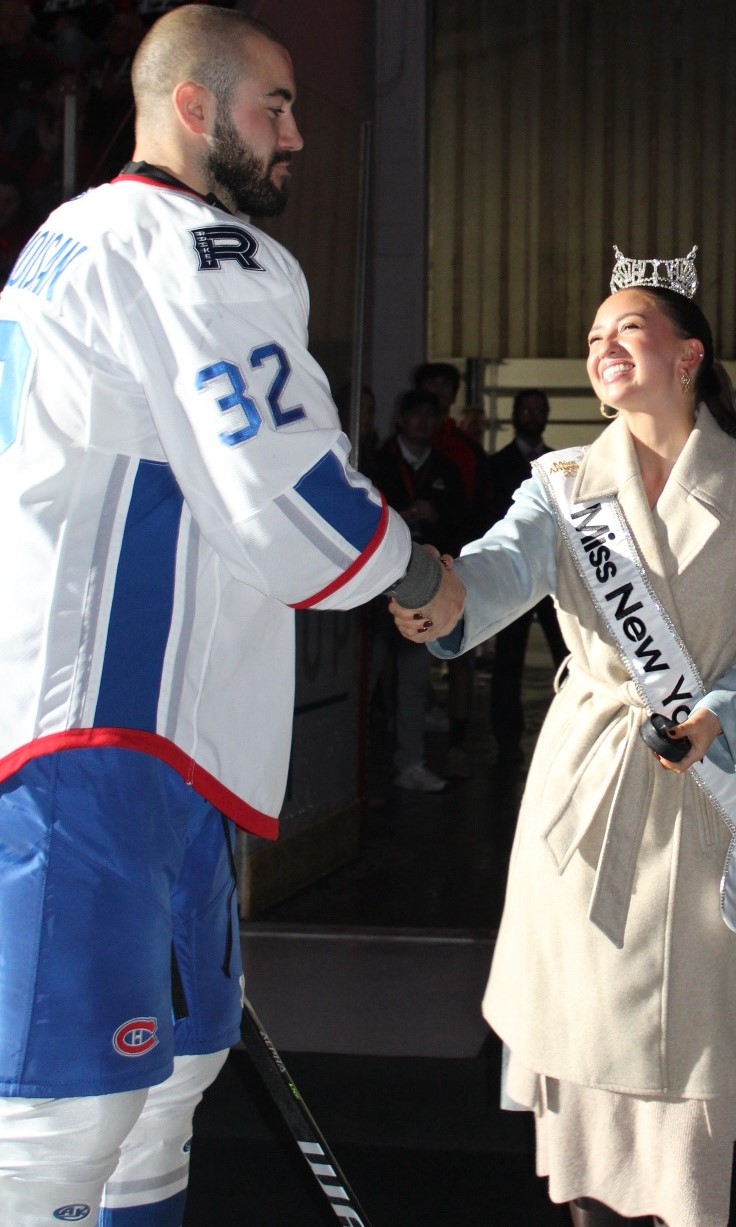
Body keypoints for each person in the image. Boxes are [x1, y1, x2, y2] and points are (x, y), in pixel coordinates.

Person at [0, 9, 445, 1223]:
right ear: (193, 109)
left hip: (141, 747)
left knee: (159, 1103)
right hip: (105, 745)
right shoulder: (200, 247)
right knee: (59, 1127)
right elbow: (284, 485)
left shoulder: (66, 237)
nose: (297, 135)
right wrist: (418, 578)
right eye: (275, 107)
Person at [392, 246, 736, 1227]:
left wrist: (720, 712)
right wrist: (435, 596)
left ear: (686, 357)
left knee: (689, 1059)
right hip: (587, 791)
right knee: (581, 1058)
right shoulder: (561, 484)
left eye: (627, 328)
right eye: (592, 337)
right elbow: (493, 576)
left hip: (701, 797)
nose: (602, 347)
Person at [367, 387, 469, 791]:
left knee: (414, 679)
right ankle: (356, 772)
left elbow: (462, 524)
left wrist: (436, 516)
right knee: (369, 677)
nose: (423, 423)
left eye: (431, 416)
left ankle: (411, 762)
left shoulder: (445, 469)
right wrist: (402, 516)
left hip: (424, 587)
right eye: (416, 416)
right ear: (400, 421)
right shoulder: (378, 463)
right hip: (374, 588)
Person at [411, 359, 489, 777]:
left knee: (462, 653)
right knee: (411, 657)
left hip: (458, 563)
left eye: (446, 388)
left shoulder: (463, 449)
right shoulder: (405, 444)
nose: (439, 395)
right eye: (432, 387)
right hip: (411, 569)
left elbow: (476, 509)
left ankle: (459, 737)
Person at [487, 387, 568, 763]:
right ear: (515, 415)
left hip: (554, 578)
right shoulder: (497, 464)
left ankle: (571, 736)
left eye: (540, 409)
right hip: (513, 578)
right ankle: (506, 738)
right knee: (508, 662)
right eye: (527, 409)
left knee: (568, 657)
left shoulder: (560, 465)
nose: (533, 415)